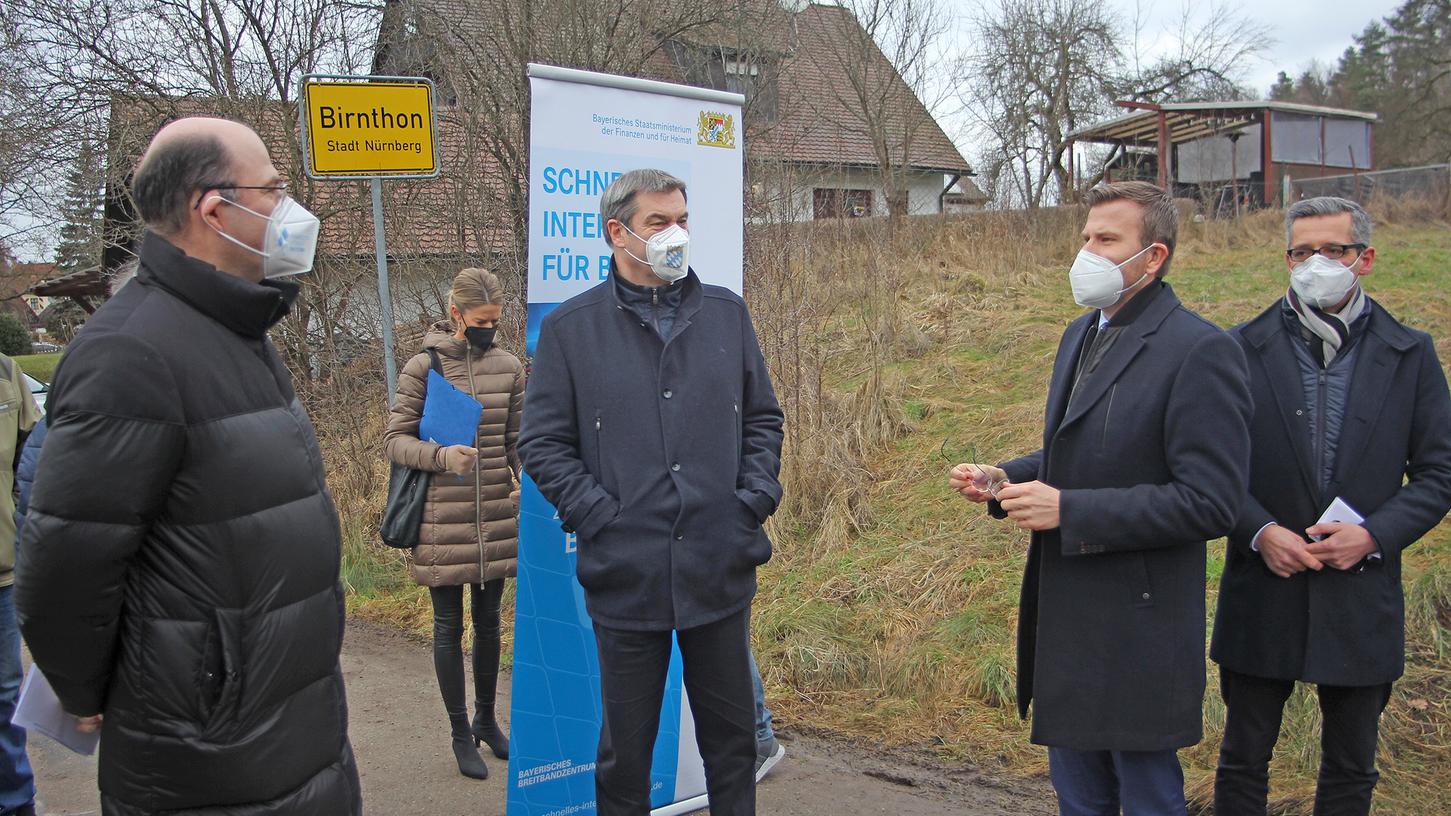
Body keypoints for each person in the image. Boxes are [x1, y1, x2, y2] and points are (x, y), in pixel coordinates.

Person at [15, 117, 361, 815]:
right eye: (274, 189)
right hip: (206, 750)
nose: (293, 210)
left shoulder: (236, 329)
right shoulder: (131, 352)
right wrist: (82, 692)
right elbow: (65, 560)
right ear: (213, 209)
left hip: (290, 719)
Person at [950, 181, 1252, 815]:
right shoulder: (1081, 333)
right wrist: (1003, 478)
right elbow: (1073, 454)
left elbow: (1212, 502)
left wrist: (1072, 511)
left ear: (1155, 256)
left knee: (1147, 797)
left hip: (1139, 623)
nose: (1087, 251)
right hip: (1069, 616)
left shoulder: (1200, 350)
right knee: (1080, 799)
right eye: (1086, 236)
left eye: (1107, 239)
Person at [519, 168, 784, 815]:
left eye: (682, 220)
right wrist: (600, 516)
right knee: (624, 758)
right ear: (618, 233)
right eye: (658, 223)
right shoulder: (570, 331)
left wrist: (749, 499)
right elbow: (541, 444)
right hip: (625, 577)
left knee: (731, 746)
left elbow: (761, 418)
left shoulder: (725, 312)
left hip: (717, 569)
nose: (676, 235)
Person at [1211, 196, 1451, 815]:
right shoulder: (1237, 349)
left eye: (1334, 250)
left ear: (1364, 259)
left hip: (1360, 592)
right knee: (1242, 762)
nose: (1316, 262)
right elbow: (1209, 470)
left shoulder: (1411, 353)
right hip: (1263, 585)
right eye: (1301, 250)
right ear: (1285, 259)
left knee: (1350, 770)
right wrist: (1260, 530)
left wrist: (1373, 536)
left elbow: (1438, 472)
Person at [384, 266, 525, 780]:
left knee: (490, 626)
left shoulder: (510, 367)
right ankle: (459, 732)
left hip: (495, 515)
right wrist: (443, 457)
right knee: (449, 628)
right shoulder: (423, 367)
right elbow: (395, 441)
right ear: (456, 314)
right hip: (441, 519)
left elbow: (516, 440)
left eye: (496, 320)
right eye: (482, 320)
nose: (490, 328)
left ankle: (488, 721)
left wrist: (527, 477)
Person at [0, 353, 39, 816]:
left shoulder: (8, 374)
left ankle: (15, 804)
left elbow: (27, 466)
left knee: (4, 697)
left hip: (2, 572)